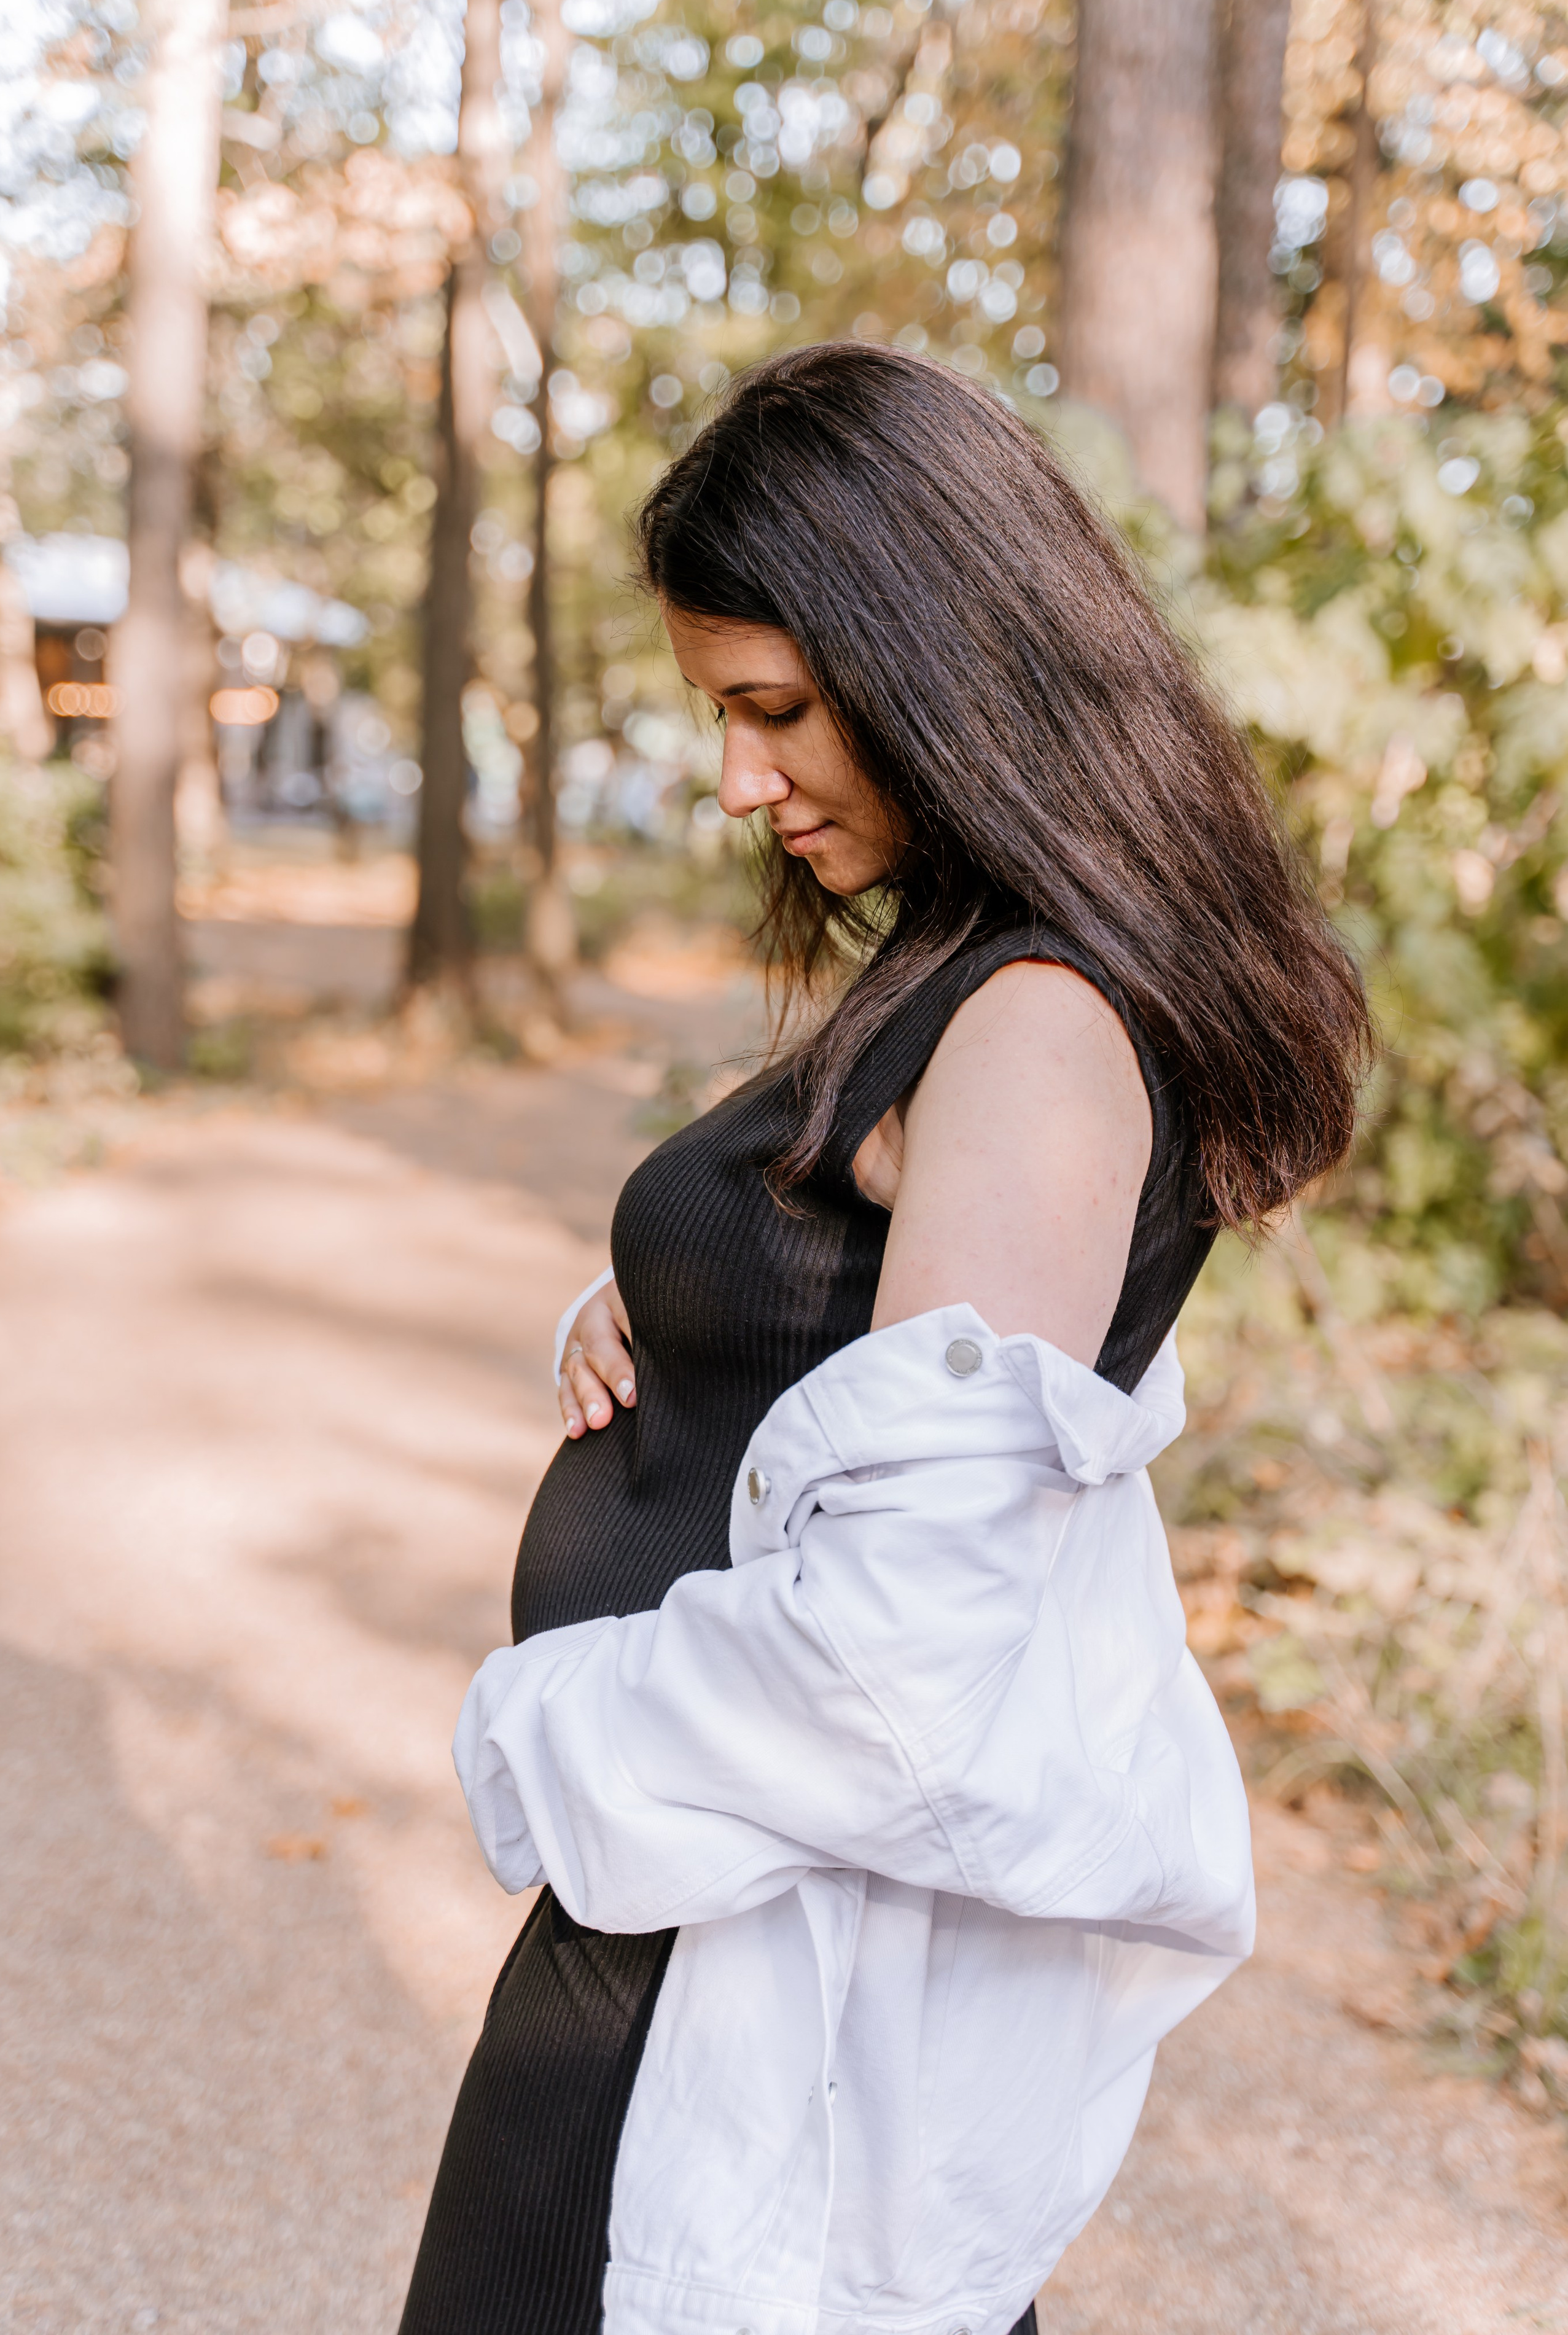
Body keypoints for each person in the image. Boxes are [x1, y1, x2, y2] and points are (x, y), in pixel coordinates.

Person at [399, 342, 1370, 2335]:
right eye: (720, 717)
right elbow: (873, 1327)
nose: (740, 783)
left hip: (726, 1974)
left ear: (936, 655)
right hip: (685, 1921)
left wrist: (534, 1733)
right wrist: (675, 1309)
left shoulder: (1039, 1027)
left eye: (776, 711)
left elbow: (902, 1664)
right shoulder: (975, 969)